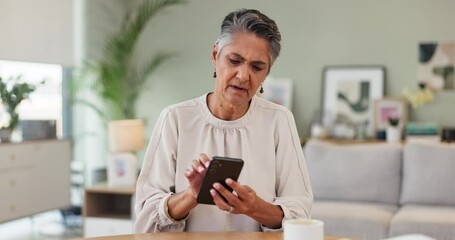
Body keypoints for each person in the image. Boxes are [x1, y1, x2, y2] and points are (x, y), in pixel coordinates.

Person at [134, 8, 313, 233]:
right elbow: (146, 218)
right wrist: (192, 195)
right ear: (215, 55)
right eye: (234, 60)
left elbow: (300, 214)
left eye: (256, 67)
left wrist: (255, 207)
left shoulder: (279, 120)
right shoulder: (175, 119)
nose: (243, 75)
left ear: (266, 73)